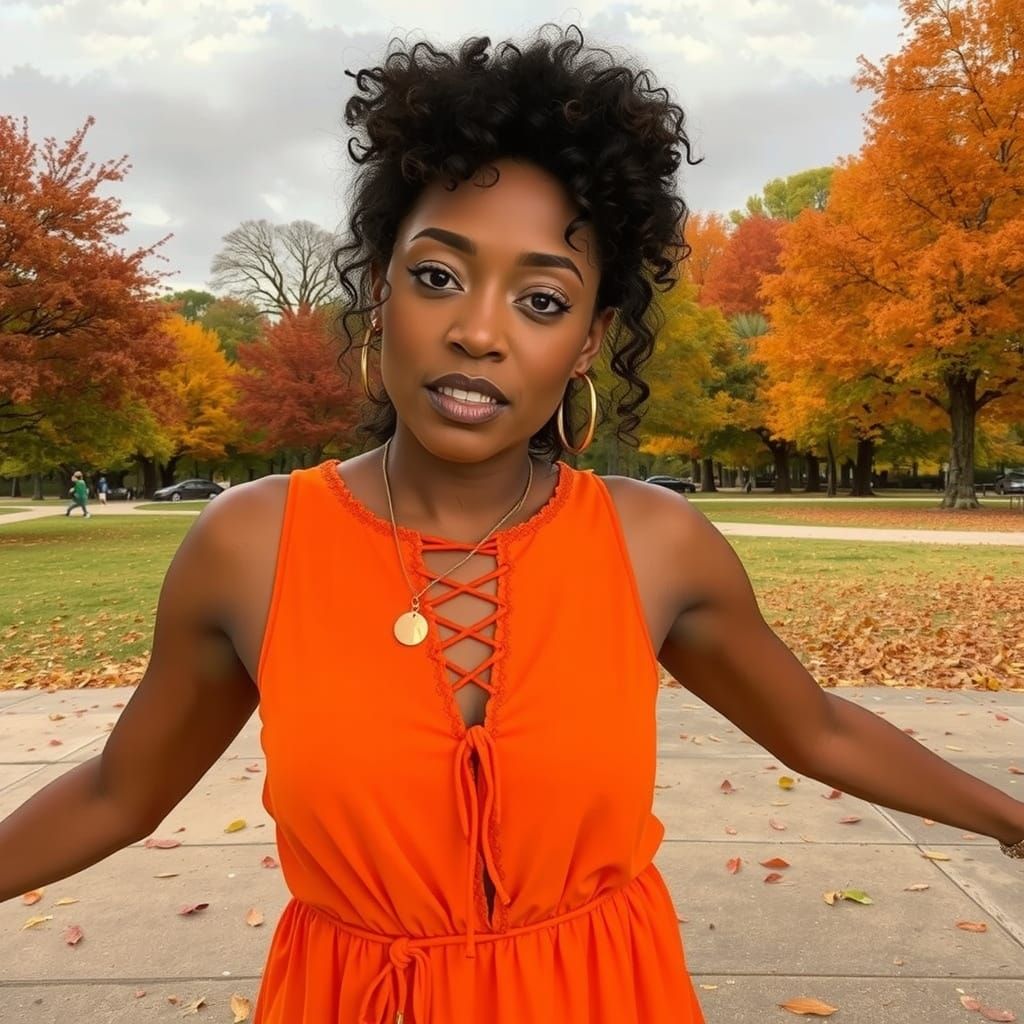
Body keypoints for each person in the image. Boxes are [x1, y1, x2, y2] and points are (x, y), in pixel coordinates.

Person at [1, 26, 1022, 1024]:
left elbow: (819, 727)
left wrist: (1012, 823)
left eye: (540, 298)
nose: (478, 330)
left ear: (589, 341)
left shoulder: (652, 543)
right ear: (377, 291)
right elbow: (115, 795)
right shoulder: (248, 545)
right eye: (438, 275)